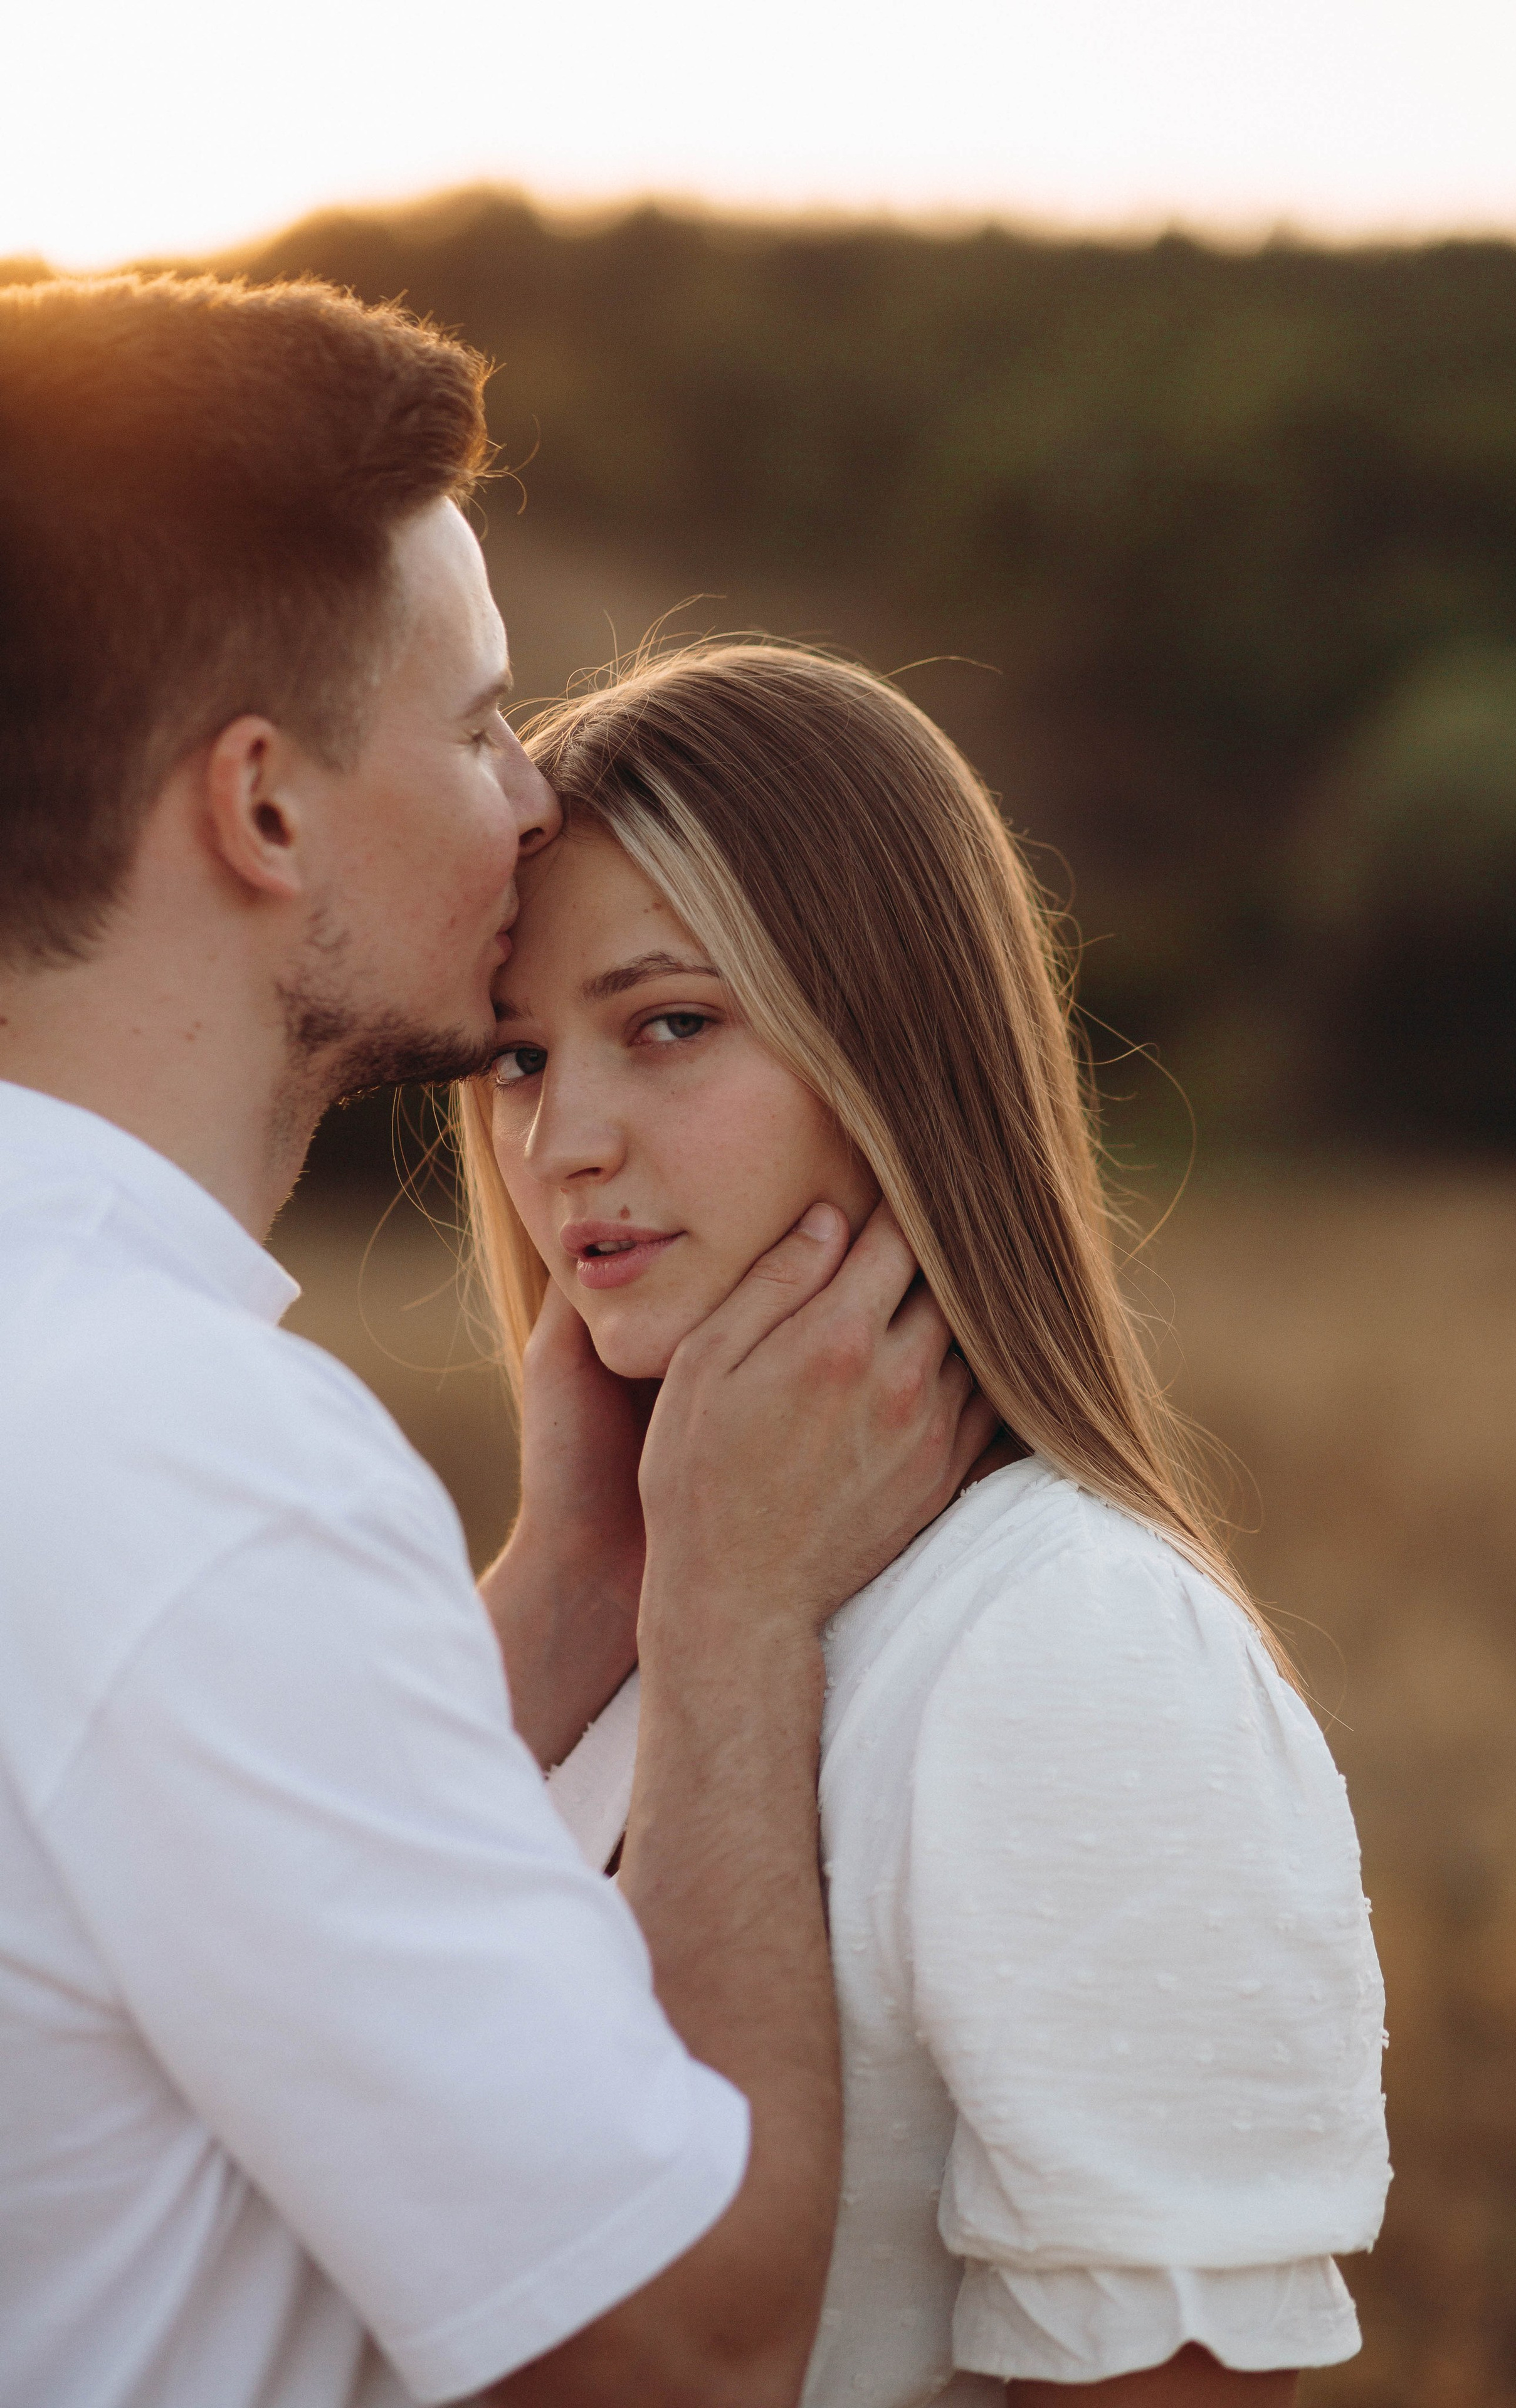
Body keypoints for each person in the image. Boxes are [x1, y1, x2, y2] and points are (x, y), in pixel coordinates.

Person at [0, 276, 992, 2408]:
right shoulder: (192, 1454)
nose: (535, 798)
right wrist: (730, 1619)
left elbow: (156, 1851)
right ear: (262, 812)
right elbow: (691, 2351)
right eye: (474, 726)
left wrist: (559, 1596)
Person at [460, 642, 1394, 2407]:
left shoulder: (1072, 1638)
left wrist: (720, 1608)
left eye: (669, 1024)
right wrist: (580, 1570)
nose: (563, 1139)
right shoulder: (603, 1609)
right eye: (514, 1057)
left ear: (889, 1045)